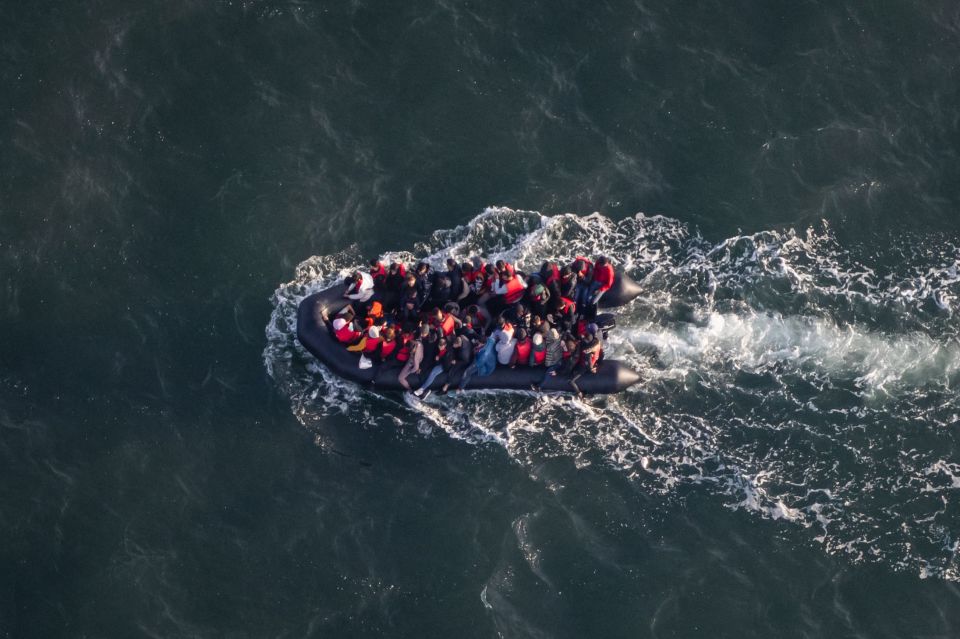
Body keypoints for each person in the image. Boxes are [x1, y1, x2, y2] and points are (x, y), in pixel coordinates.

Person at [569, 332, 602, 398]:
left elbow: (588, 366)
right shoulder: (598, 344)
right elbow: (601, 354)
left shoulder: (588, 353)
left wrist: (592, 369)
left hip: (584, 367)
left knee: (571, 382)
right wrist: (597, 365)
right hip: (593, 363)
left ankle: (579, 394)